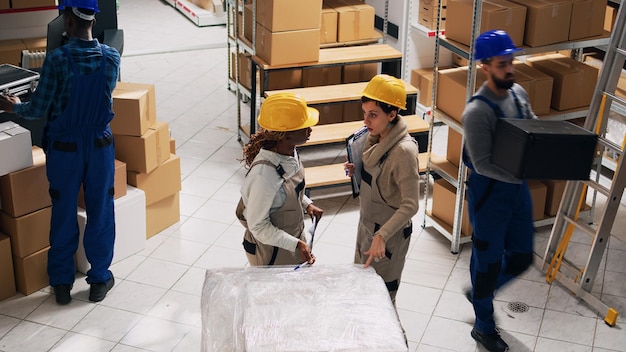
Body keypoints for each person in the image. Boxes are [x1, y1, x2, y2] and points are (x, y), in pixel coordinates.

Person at [0, 0, 120, 305]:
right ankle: (99, 279)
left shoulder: (56, 61)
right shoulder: (111, 58)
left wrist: (14, 106)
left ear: (67, 20)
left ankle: (62, 283)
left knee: (64, 212)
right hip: (99, 147)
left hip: (65, 150)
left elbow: (37, 109)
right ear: (93, 19)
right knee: (100, 211)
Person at [462, 30, 537, 352]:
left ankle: (480, 290)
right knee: (488, 266)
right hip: (489, 196)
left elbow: (533, 128)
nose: (510, 69)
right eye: (502, 63)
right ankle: (483, 325)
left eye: (511, 62)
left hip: (517, 191)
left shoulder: (518, 93)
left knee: (522, 258)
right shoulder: (477, 112)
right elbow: (481, 164)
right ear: (485, 67)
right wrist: (519, 172)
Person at [344, 74, 420, 303]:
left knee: (382, 300)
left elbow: (411, 204)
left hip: (387, 238)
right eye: (364, 113)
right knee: (362, 291)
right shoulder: (373, 138)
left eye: (373, 115)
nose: (366, 121)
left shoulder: (403, 152)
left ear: (392, 114)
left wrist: (382, 236)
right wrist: (356, 170)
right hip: (367, 228)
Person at [236, 93, 324, 266]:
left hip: (291, 241)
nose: (310, 129)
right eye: (304, 126)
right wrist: (295, 244)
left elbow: (284, 191)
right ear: (286, 134)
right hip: (271, 253)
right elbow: (258, 226)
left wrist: (306, 204)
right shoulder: (264, 176)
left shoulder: (289, 152)